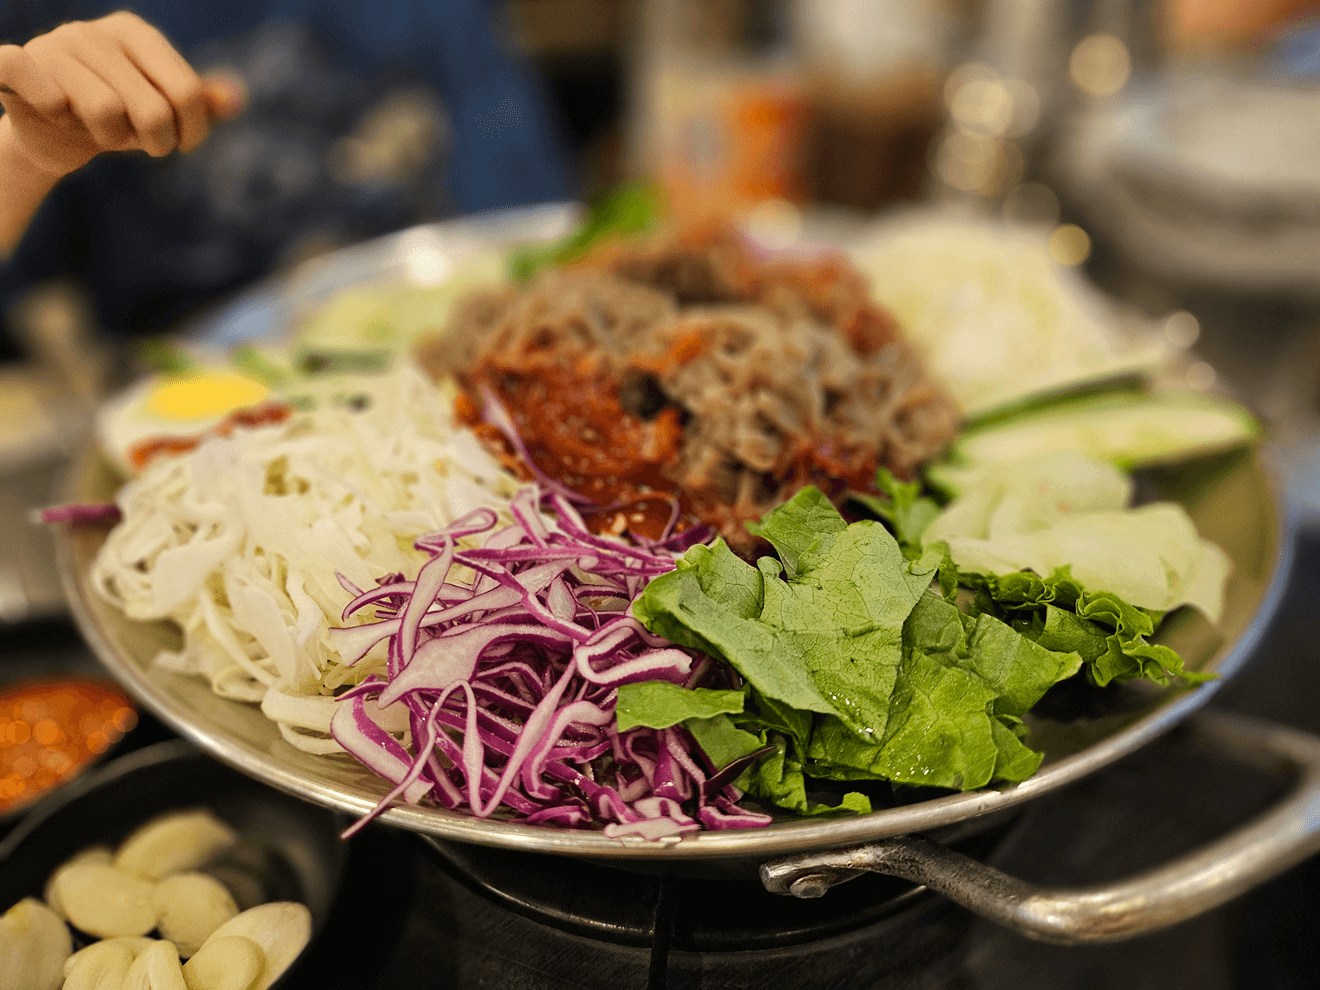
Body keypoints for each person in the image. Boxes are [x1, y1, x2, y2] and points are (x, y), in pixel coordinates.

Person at [0, 3, 574, 354]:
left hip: (439, 353)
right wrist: (21, 155)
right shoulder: (34, 14)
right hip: (190, 394)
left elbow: (523, 234)